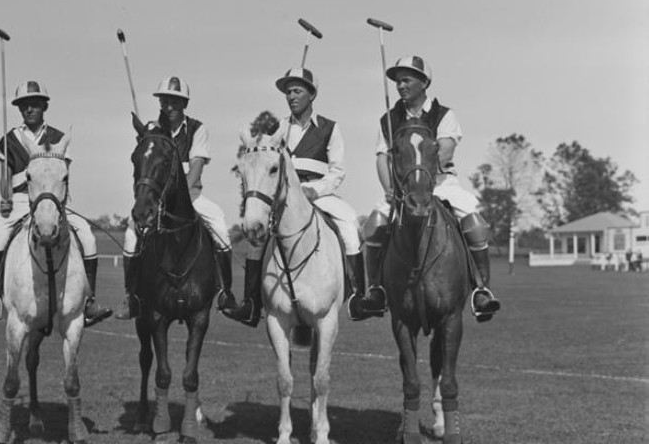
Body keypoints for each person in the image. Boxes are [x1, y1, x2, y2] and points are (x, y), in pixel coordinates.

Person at [359, 55, 501, 321]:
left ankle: (482, 290)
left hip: (441, 183)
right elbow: (382, 158)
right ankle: (376, 288)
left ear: (424, 82)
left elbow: (445, 151)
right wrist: (390, 188)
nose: (400, 86)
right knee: (374, 224)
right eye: (398, 81)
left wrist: (422, 178)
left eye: (407, 80)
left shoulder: (444, 114)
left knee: (474, 221)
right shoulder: (389, 120)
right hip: (403, 189)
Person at [224, 67, 369, 326]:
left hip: (320, 193)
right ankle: (251, 303)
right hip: (286, 197)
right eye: (288, 92)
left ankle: (358, 297)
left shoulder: (329, 128)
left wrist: (315, 190)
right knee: (257, 240)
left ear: (311, 95)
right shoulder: (277, 129)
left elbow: (337, 171)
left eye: (297, 91)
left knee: (348, 225)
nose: (291, 96)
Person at [0, 80, 113, 327]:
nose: (29, 110)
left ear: (43, 107)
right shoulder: (9, 140)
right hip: (19, 200)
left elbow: (64, 176)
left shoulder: (58, 138)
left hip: (53, 203)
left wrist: (57, 202)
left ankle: (89, 301)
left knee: (88, 237)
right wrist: (5, 199)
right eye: (24, 106)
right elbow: (4, 177)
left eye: (34, 105)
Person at [115, 76, 239, 319]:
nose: (169, 107)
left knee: (221, 231)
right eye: (164, 101)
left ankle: (226, 293)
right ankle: (132, 298)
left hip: (192, 198)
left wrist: (182, 196)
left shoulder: (196, 129)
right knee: (131, 237)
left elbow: (196, 167)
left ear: (184, 104)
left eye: (175, 102)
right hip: (156, 202)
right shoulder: (152, 129)